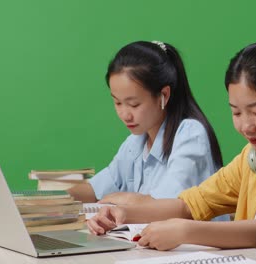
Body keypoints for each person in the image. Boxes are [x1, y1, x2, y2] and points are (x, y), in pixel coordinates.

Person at [87, 42, 256, 263]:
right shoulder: (251, 157)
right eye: (236, 112)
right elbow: (189, 205)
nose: (246, 125)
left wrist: (185, 231)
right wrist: (123, 214)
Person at [68, 41, 223, 205]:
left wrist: (120, 200)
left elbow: (166, 206)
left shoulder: (190, 135)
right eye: (117, 103)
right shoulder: (136, 142)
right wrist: (50, 200)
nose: (124, 115)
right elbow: (97, 189)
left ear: (164, 95)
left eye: (134, 104)